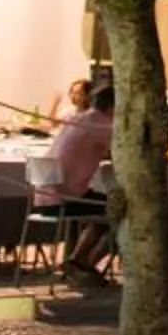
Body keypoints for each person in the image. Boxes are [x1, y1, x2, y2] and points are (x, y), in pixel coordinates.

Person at [43, 81, 119, 281]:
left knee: (108, 206)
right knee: (122, 211)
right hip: (64, 197)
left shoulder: (79, 117)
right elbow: (122, 152)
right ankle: (85, 262)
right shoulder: (102, 125)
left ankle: (79, 260)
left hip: (46, 194)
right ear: (113, 106)